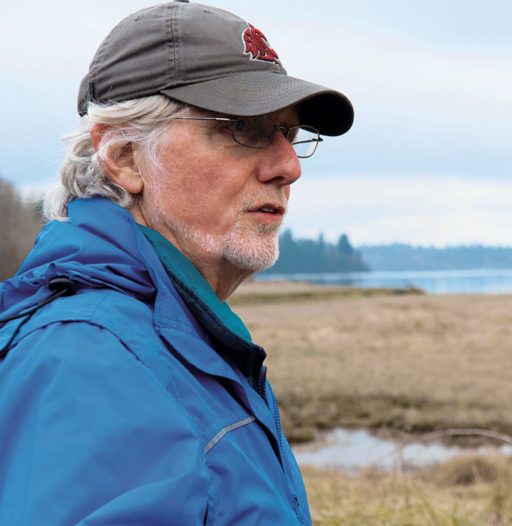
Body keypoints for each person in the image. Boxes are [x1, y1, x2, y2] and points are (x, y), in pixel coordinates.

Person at [0, 1, 352, 524]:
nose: (287, 167)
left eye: (289, 134)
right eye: (243, 128)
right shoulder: (88, 362)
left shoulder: (176, 339)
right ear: (124, 157)